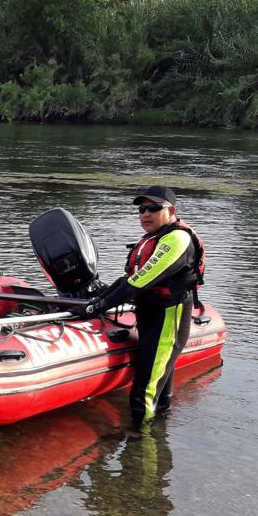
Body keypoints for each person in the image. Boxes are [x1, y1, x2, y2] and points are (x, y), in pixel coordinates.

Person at [80, 185, 205, 434]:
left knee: (144, 389)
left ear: (171, 211)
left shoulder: (176, 239)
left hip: (168, 317)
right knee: (160, 383)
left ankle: (141, 445)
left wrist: (99, 307)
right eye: (142, 209)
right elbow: (129, 278)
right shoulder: (153, 238)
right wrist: (96, 299)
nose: (145, 214)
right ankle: (159, 435)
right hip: (149, 315)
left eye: (154, 208)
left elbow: (140, 281)